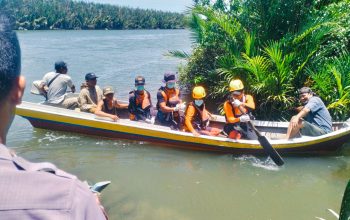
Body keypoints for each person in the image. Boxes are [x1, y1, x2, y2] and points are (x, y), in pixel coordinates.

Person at [0, 13, 107, 219]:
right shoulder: (72, 199)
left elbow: (40, 85)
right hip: (59, 104)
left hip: (47, 101)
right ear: (17, 90)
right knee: (77, 100)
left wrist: (45, 91)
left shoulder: (48, 75)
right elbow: (74, 88)